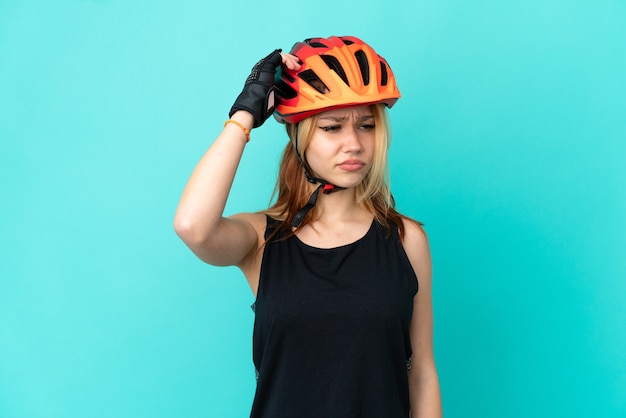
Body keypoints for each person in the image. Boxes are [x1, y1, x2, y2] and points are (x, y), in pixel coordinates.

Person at [174, 35, 442, 417]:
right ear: (299, 136)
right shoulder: (262, 240)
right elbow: (192, 226)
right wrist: (244, 115)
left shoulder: (406, 240)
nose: (354, 143)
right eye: (332, 127)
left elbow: (422, 375)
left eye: (366, 125)